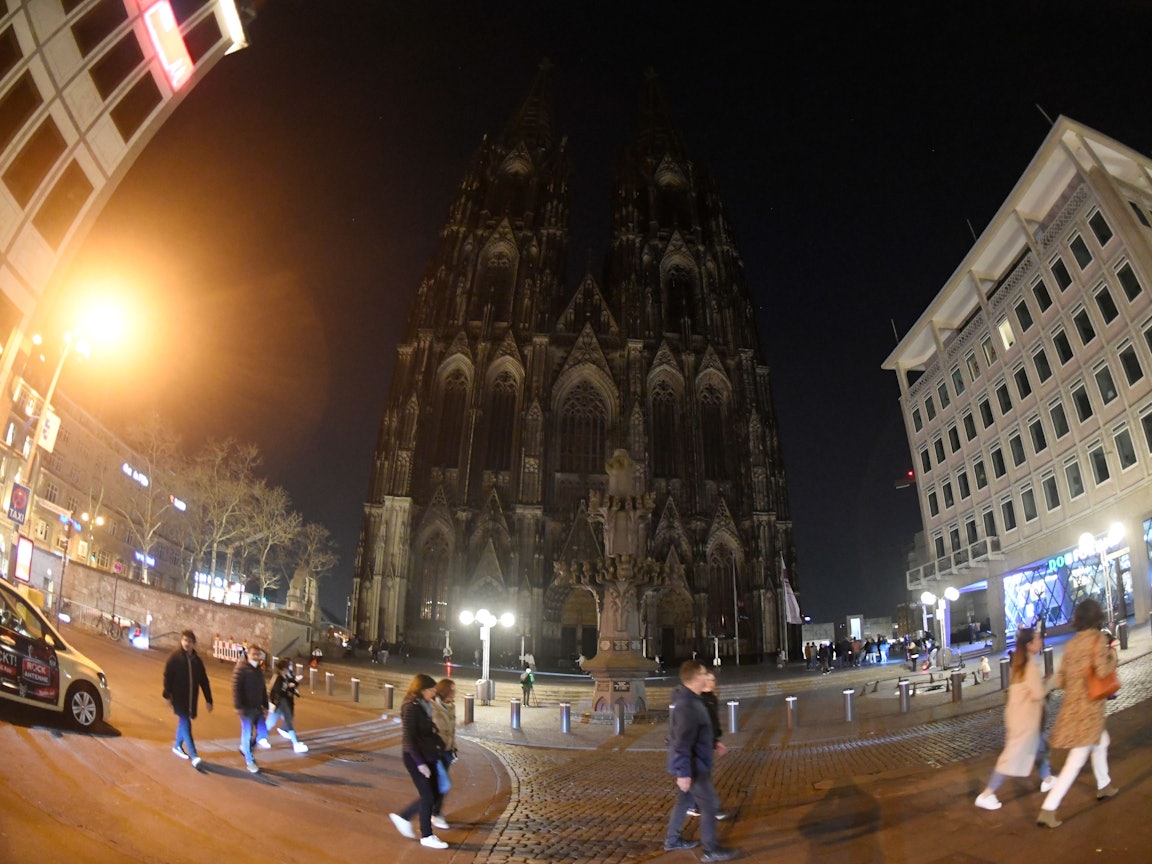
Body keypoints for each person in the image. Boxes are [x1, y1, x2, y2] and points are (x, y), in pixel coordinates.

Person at [1037, 598, 1119, 827]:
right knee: (1075, 760)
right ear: (1097, 617)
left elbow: (1061, 679)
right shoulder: (1098, 639)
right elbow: (1102, 671)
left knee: (1101, 741)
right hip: (1090, 709)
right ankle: (1048, 808)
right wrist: (1113, 656)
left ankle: (1104, 785)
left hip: (1072, 708)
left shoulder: (1071, 644)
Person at [663, 659, 737, 862]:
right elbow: (682, 742)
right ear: (696, 678)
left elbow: (696, 732)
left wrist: (713, 742)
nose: (707, 677)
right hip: (695, 767)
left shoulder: (693, 699)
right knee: (710, 805)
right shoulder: (688, 705)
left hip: (695, 764)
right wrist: (683, 772)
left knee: (684, 800)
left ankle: (672, 840)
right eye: (704, 674)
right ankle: (710, 850)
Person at [974, 627, 1053, 810]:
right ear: (1029, 644)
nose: (1040, 641)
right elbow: (1038, 693)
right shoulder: (1029, 666)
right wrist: (1051, 681)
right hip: (1025, 720)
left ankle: (1047, 778)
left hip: (1018, 716)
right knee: (1010, 758)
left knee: (1040, 746)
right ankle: (987, 794)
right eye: (1037, 639)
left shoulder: (1018, 663)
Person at [389, 673, 449, 849]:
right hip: (416, 758)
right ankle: (427, 835)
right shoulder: (411, 707)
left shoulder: (424, 705)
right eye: (431, 690)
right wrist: (420, 764)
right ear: (422, 690)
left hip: (429, 754)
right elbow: (409, 739)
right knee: (428, 795)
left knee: (436, 791)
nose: (434, 693)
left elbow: (429, 729)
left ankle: (404, 817)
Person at [162, 629, 213, 769]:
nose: (186, 643)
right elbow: (168, 676)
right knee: (186, 722)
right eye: (184, 640)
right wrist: (167, 695)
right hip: (178, 697)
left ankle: (177, 746)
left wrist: (209, 700)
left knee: (184, 722)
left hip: (191, 698)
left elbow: (204, 681)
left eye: (189, 641)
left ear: (193, 644)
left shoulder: (197, 661)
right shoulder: (175, 657)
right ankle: (194, 755)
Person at [687, 668, 730, 821]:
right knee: (703, 777)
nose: (713, 683)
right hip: (699, 744)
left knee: (700, 776)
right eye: (710, 680)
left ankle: (693, 804)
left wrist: (716, 740)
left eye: (713, 680)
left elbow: (713, 722)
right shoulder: (698, 700)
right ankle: (712, 808)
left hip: (708, 742)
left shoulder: (712, 698)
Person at [233, 643, 271, 774]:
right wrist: (238, 706)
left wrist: (266, 705)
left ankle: (246, 748)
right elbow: (236, 688)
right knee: (247, 733)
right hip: (246, 708)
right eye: (253, 654)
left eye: (258, 654)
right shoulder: (241, 668)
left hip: (257, 708)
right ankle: (249, 760)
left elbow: (263, 689)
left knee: (263, 733)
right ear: (248, 654)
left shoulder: (258, 670)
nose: (256, 656)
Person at [429, 678, 457, 830]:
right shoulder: (433, 707)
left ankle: (434, 811)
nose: (454, 693)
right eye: (452, 690)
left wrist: (454, 747)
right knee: (443, 784)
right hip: (436, 751)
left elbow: (452, 730)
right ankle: (434, 813)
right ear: (444, 690)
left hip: (447, 751)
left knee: (440, 784)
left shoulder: (451, 706)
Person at [267, 657, 309, 753]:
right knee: (271, 723)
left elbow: (286, 687)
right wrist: (287, 689)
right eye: (288, 666)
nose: (290, 668)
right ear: (284, 668)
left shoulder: (284, 676)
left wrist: (292, 686)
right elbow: (276, 691)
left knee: (282, 722)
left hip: (282, 703)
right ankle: (295, 744)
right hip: (279, 704)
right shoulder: (278, 677)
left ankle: (260, 738)